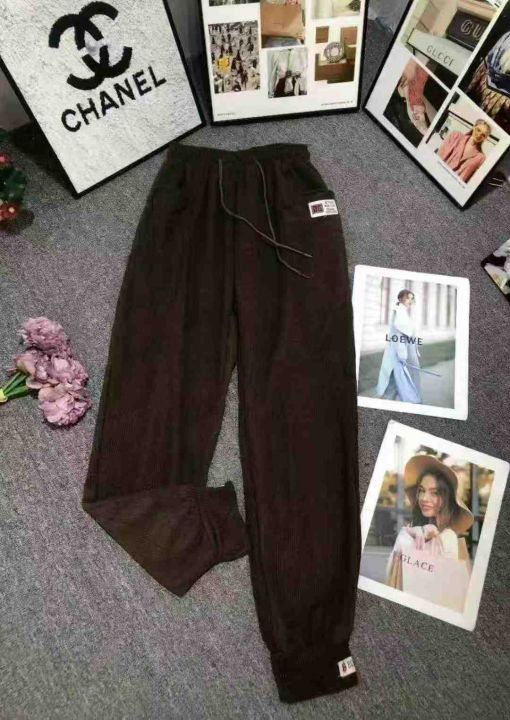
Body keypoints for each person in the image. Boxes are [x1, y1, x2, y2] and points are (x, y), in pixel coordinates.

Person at [386, 455, 474, 590]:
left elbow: (438, 589)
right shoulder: (413, 529)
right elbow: (392, 576)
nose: (424, 498)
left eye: (435, 493)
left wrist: (408, 537)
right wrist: (409, 532)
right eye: (421, 490)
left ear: (446, 498)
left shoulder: (448, 537)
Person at [376, 289, 422, 404]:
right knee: (400, 374)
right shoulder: (399, 312)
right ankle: (410, 399)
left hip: (401, 349)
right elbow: (399, 335)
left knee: (395, 374)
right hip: (399, 350)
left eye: (411, 298)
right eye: (407, 298)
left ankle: (386, 396)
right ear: (401, 298)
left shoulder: (402, 311)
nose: (410, 301)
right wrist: (402, 354)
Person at [437, 118, 492, 183]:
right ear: (474, 127)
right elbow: (438, 155)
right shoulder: (455, 136)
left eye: (483, 135)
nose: (479, 135)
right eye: (478, 130)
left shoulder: (480, 158)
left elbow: (471, 181)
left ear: (485, 138)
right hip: (438, 173)